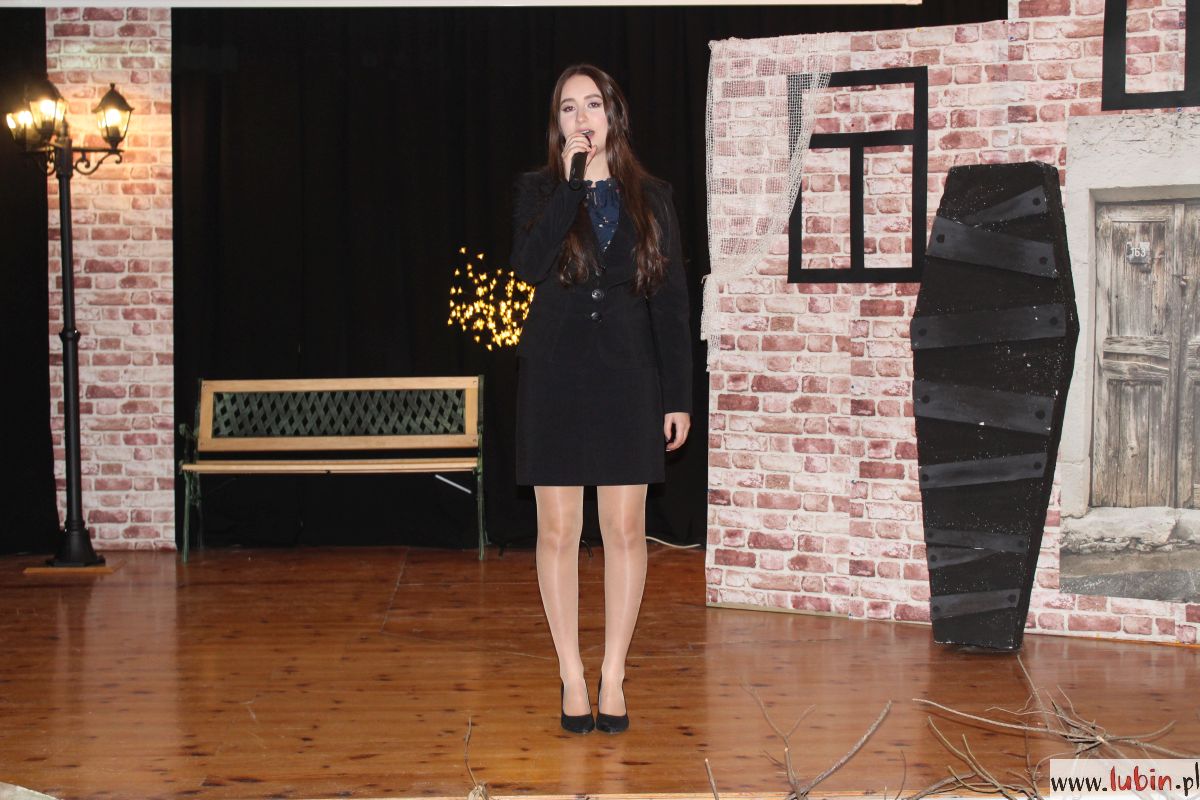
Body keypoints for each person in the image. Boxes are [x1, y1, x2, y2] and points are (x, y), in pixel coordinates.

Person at [509, 64, 692, 735]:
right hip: (555, 373)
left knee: (623, 529)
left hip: (628, 376)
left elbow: (671, 302)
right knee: (557, 531)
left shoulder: (655, 196)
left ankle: (613, 673)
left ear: (614, 114)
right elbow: (527, 267)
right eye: (568, 108)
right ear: (556, 123)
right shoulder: (537, 190)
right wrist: (571, 187)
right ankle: (570, 673)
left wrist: (678, 395)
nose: (582, 117)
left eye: (592, 104)